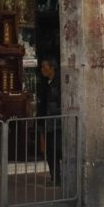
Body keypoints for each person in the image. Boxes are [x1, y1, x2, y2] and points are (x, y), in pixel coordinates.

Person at [36, 56, 62, 184]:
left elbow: (57, 103)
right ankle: (55, 176)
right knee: (50, 151)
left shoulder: (58, 84)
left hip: (56, 123)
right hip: (48, 122)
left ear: (51, 68)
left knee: (55, 150)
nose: (42, 69)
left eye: (44, 66)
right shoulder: (46, 83)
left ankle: (57, 177)